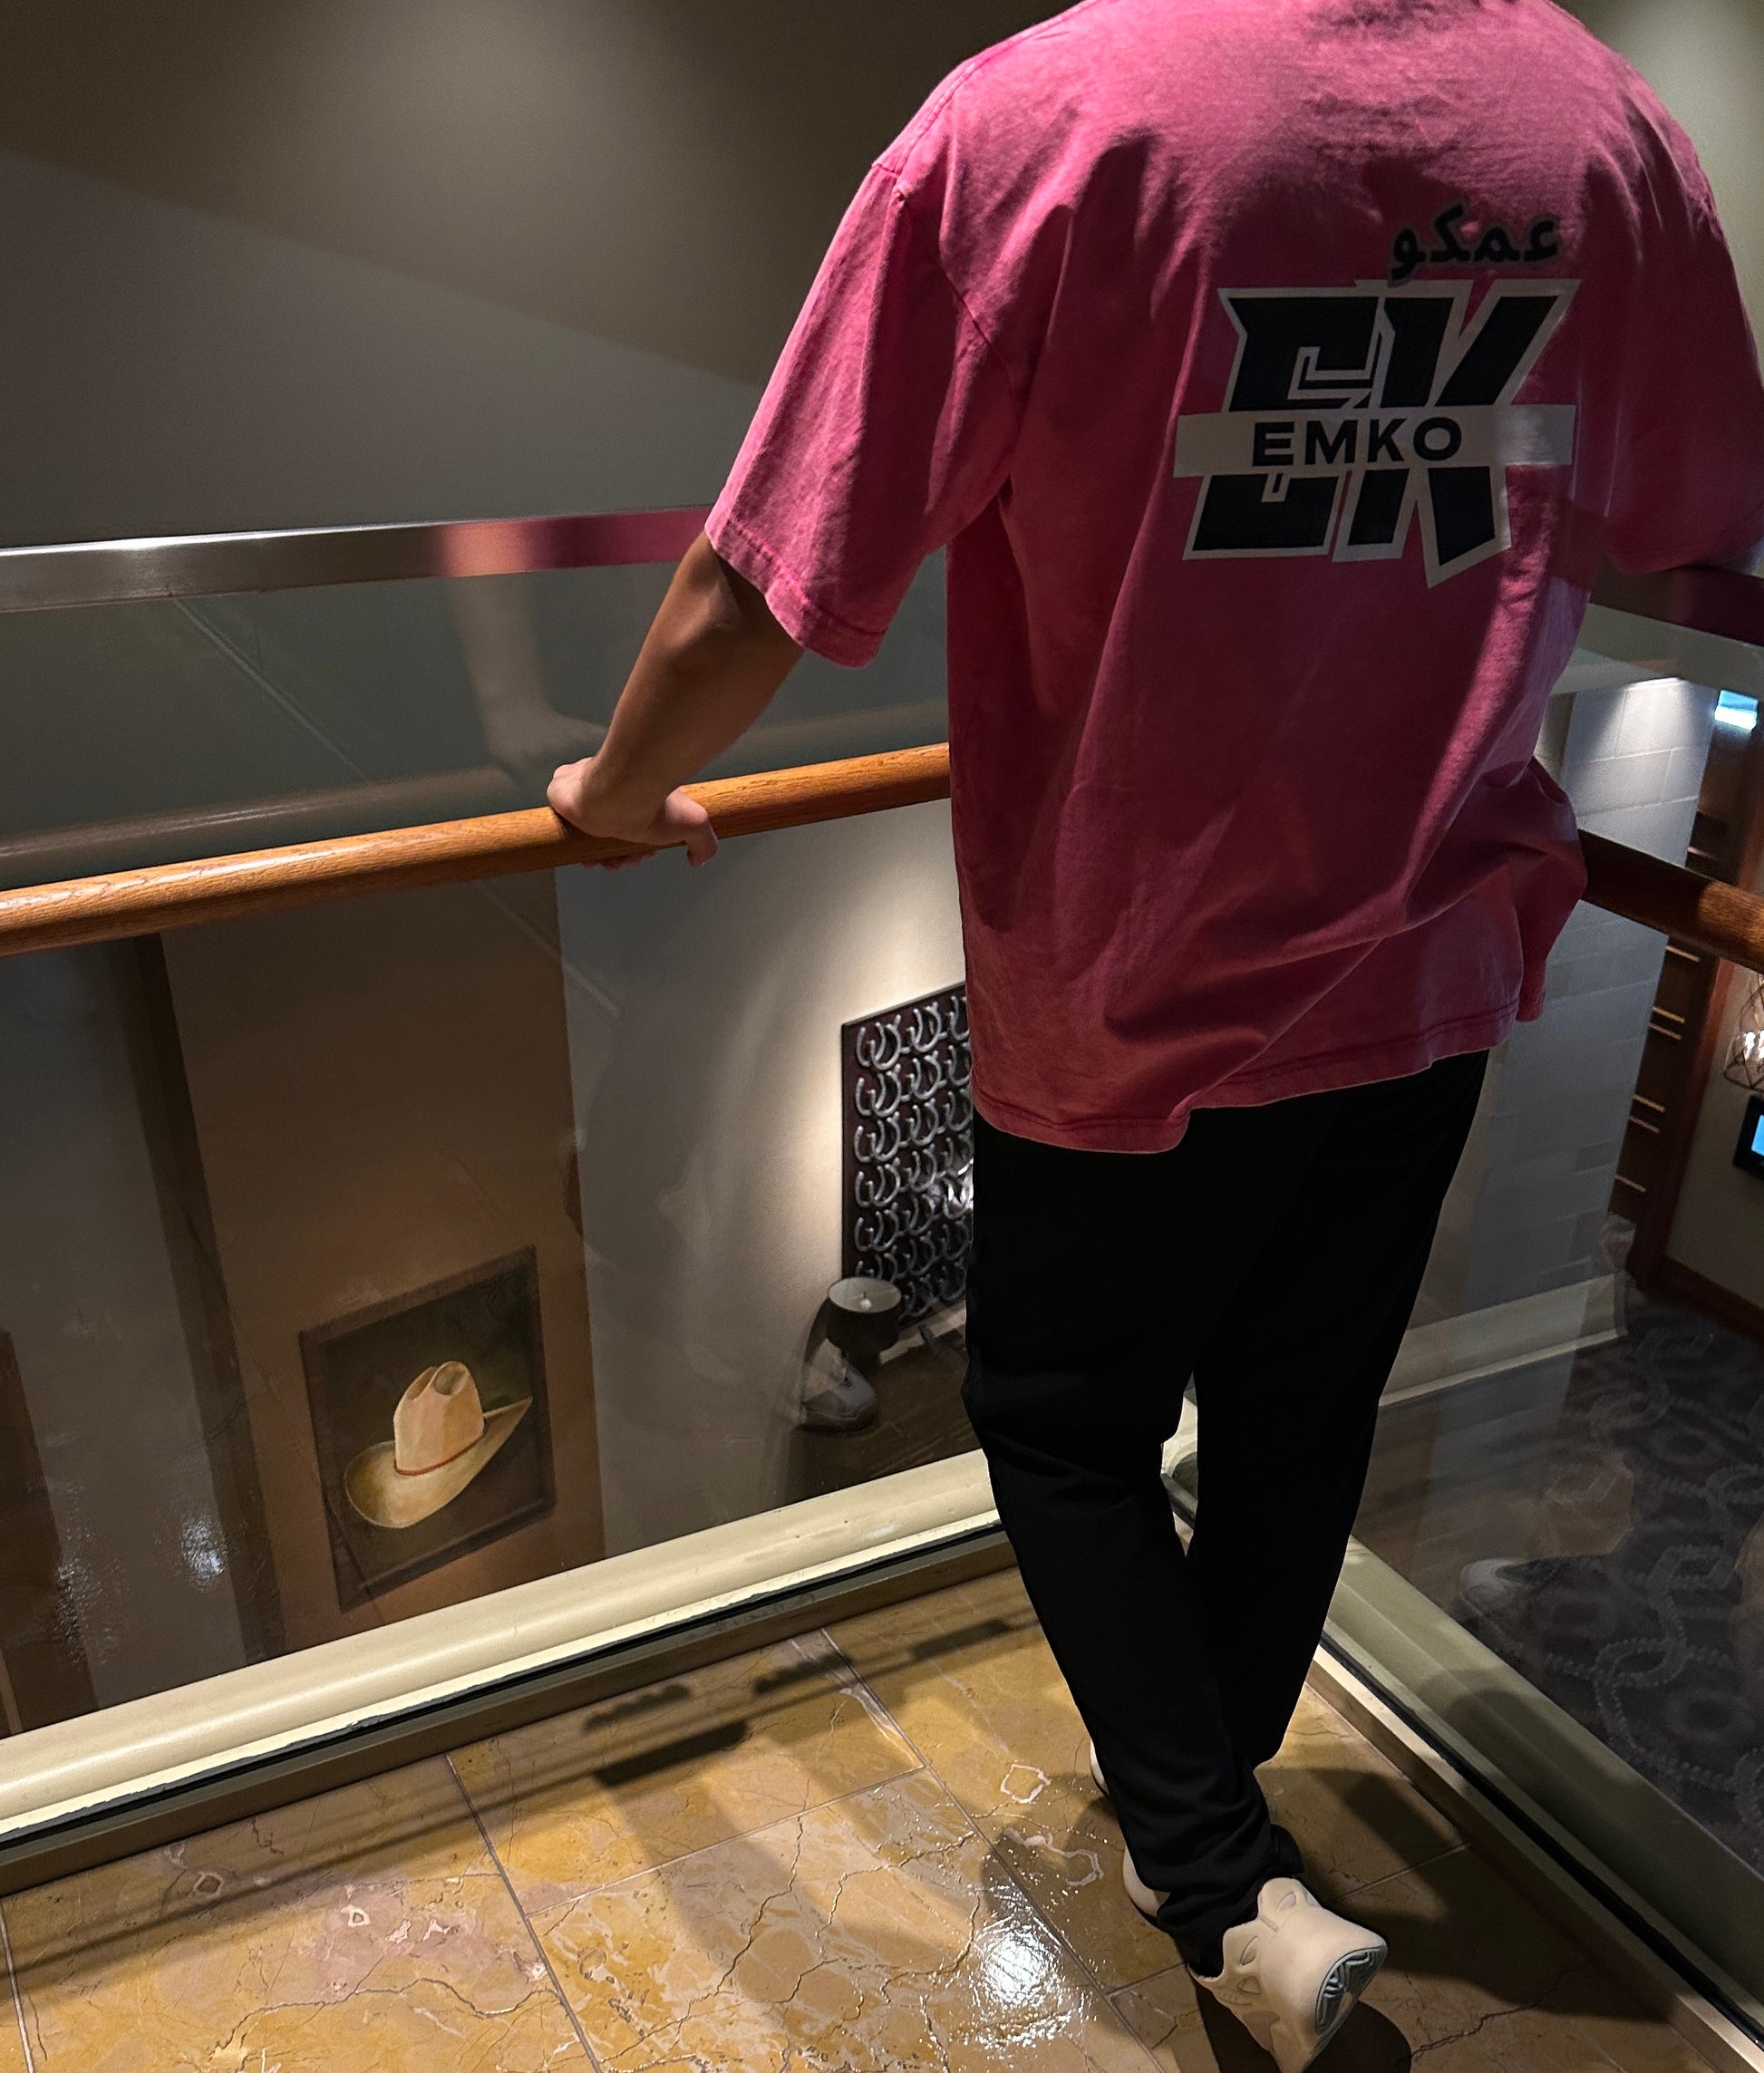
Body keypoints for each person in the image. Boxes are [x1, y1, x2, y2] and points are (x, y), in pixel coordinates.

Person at [547, 2, 1764, 2063]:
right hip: (1427, 953)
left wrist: (611, 788)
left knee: (1057, 1420)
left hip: (1135, 987)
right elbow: (1696, 510)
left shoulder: (1039, 121)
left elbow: (768, 576)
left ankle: (1210, 1876)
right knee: (1299, 1409)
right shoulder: (1600, 126)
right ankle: (1206, 1812)